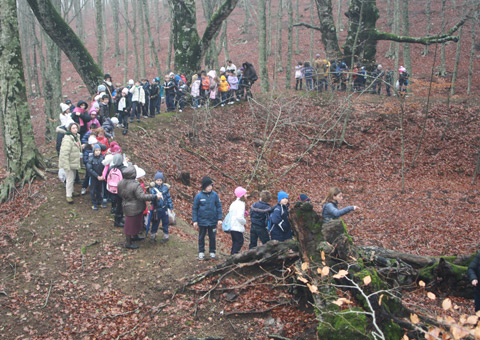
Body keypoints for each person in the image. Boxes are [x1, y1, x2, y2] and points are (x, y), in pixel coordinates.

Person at [118, 166, 160, 249]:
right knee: (129, 226)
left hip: (126, 205)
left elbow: (119, 193)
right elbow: (141, 196)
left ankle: (135, 236)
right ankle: (128, 243)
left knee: (136, 223)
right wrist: (154, 196)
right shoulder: (135, 185)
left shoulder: (121, 182)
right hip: (135, 207)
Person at [192, 176, 222, 261]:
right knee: (201, 237)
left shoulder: (215, 195)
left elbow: (219, 207)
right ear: (204, 186)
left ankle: (212, 252)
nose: (210, 187)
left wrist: (219, 219)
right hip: (202, 221)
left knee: (212, 237)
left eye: (211, 185)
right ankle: (201, 252)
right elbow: (195, 208)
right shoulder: (198, 196)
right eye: (208, 186)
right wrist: (195, 220)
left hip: (212, 221)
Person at [59, 123, 83, 204]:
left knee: (73, 177)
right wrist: (66, 165)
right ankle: (68, 195)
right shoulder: (67, 139)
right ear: (70, 129)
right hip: (68, 163)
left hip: (74, 162)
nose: (75, 129)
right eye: (73, 128)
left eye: (76, 128)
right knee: (69, 179)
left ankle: (72, 191)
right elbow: (64, 153)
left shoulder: (76, 137)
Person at [149, 171, 173, 242]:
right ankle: (153, 235)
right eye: (157, 180)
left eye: (160, 180)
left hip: (164, 208)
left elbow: (169, 198)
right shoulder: (153, 189)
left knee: (165, 222)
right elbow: (152, 198)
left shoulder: (165, 189)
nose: (159, 182)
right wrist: (155, 197)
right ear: (155, 180)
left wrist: (170, 207)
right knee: (155, 222)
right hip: (156, 209)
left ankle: (166, 235)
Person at [228, 187, 248, 255]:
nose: (246, 195)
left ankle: (232, 256)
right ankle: (233, 256)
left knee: (235, 242)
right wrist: (244, 222)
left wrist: (243, 213)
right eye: (245, 194)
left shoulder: (234, 203)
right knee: (239, 242)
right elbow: (239, 217)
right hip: (237, 226)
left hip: (232, 226)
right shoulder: (241, 204)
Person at [86, 144, 105, 210]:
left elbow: (105, 167)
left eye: (99, 150)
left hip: (101, 177)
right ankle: (93, 203)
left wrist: (103, 175)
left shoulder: (102, 158)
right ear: (93, 151)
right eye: (96, 150)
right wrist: (96, 176)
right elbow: (89, 169)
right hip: (94, 177)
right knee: (93, 190)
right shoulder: (91, 159)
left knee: (100, 190)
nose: (98, 152)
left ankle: (99, 202)